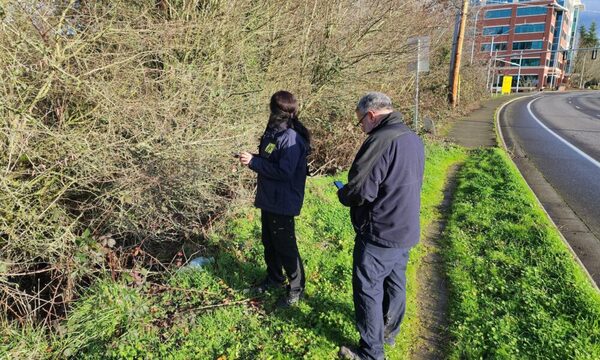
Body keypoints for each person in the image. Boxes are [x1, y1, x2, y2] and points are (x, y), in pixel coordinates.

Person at [337, 92, 424, 360]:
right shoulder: (412, 138)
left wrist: (343, 194)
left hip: (380, 230)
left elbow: (361, 190)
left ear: (371, 115)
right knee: (395, 282)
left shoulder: (379, 141)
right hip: (405, 226)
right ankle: (389, 333)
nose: (360, 127)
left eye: (360, 121)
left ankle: (371, 353)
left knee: (368, 289)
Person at [239, 90, 311, 307]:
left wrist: (254, 162)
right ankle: (274, 279)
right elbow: (271, 159)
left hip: (283, 202)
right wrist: (253, 159)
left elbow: (284, 172)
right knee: (269, 243)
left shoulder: (290, 137)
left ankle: (296, 290)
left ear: (276, 110)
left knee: (286, 247)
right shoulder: (274, 133)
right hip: (269, 199)